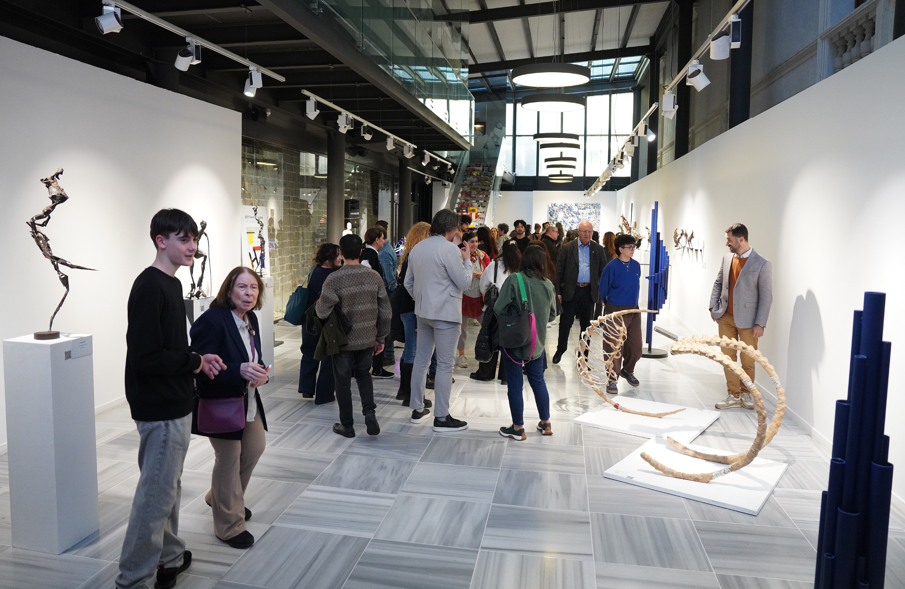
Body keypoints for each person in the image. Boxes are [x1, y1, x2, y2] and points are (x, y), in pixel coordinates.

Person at [117, 209, 223, 589]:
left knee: (168, 487)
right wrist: (193, 362)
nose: (192, 246)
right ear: (161, 241)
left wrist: (196, 359)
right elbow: (145, 356)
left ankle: (169, 556)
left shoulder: (172, 285)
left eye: (193, 238)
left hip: (175, 401)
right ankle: (133, 579)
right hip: (159, 406)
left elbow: (171, 347)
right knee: (155, 496)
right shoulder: (150, 286)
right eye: (184, 239)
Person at [190, 267, 269, 549]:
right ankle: (229, 525)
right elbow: (201, 367)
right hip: (221, 403)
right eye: (242, 287)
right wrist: (238, 370)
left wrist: (261, 373)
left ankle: (221, 498)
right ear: (229, 290)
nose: (249, 293)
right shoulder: (212, 320)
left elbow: (254, 358)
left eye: (254, 288)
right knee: (228, 459)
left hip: (247, 399)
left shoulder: (251, 319)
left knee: (255, 448)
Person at [316, 234, 391, 437]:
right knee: (364, 375)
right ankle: (369, 414)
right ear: (361, 252)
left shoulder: (334, 279)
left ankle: (347, 426)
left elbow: (321, 312)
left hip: (342, 341)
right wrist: (381, 337)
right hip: (367, 338)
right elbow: (386, 312)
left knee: (342, 382)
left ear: (340, 252)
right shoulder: (374, 277)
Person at [404, 209, 472, 432]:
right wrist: (467, 261)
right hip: (446, 313)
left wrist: (422, 299)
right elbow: (464, 283)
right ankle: (441, 417)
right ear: (451, 228)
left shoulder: (417, 248)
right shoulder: (449, 249)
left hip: (423, 312)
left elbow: (408, 283)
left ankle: (417, 409)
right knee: (444, 364)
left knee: (421, 360)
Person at [495, 245, 559, 440]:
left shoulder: (515, 279)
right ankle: (546, 423)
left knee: (515, 384)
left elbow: (498, 307)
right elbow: (552, 315)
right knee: (538, 381)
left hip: (514, 341)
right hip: (536, 343)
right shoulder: (548, 284)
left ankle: (518, 428)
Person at [709, 223, 773, 410]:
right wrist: (713, 307)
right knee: (727, 358)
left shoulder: (762, 263)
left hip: (749, 322)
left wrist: (760, 323)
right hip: (725, 318)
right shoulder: (727, 258)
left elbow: (766, 296)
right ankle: (733, 395)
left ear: (741, 239)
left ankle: (746, 393)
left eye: (729, 240)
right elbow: (718, 283)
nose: (727, 243)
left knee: (748, 360)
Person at [552, 221, 607, 364]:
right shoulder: (567, 248)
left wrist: (604, 292)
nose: (587, 234)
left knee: (586, 325)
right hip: (571, 290)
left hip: (588, 291)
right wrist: (558, 291)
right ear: (578, 232)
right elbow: (559, 271)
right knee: (565, 323)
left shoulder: (598, 249)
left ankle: (584, 354)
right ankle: (560, 349)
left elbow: (603, 272)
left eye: (590, 231)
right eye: (584, 231)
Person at [471, 240, 521, 383]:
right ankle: (506, 376)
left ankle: (486, 373)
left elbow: (483, 286)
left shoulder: (494, 265)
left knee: (489, 338)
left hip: (494, 308)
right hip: (512, 310)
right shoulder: (520, 267)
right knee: (508, 342)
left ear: (502, 250)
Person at [599, 234, 644, 394]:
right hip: (615, 309)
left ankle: (627, 370)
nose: (633, 250)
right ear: (620, 249)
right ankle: (612, 379)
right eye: (629, 247)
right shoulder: (611, 267)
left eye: (634, 247)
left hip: (633, 309)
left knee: (636, 346)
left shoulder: (636, 265)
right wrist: (609, 305)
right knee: (614, 346)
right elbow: (603, 288)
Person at [396, 222, 434, 408]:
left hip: (407, 307)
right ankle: (411, 395)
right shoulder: (415, 257)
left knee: (409, 350)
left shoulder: (410, 256)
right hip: (412, 309)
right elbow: (410, 284)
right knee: (413, 351)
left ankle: (404, 391)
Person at [298, 243, 341, 404]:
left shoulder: (313, 271)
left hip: (309, 318)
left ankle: (306, 388)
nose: (340, 258)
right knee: (329, 356)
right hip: (326, 320)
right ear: (329, 259)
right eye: (337, 255)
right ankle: (325, 393)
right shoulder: (333, 276)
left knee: (309, 352)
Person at [361, 227, 394, 379]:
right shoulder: (369, 254)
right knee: (378, 332)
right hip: (371, 302)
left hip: (371, 300)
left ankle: (376, 366)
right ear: (376, 240)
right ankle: (376, 367)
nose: (384, 241)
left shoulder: (371, 253)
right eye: (382, 238)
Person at [457, 230, 490, 369]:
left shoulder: (483, 256)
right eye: (472, 242)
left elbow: (490, 273)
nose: (475, 244)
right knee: (461, 329)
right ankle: (461, 355)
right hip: (463, 297)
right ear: (465, 243)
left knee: (488, 326)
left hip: (480, 297)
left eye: (476, 241)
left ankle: (490, 354)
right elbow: (455, 274)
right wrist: (468, 275)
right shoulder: (458, 255)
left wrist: (482, 274)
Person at [375, 220, 398, 368]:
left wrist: (392, 289)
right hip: (387, 291)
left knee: (385, 324)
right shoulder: (387, 249)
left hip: (386, 292)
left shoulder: (384, 252)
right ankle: (387, 354)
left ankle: (388, 354)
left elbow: (389, 277)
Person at [596, 231, 617, 319]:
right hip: (613, 279)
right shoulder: (616, 253)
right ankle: (607, 319)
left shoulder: (601, 251)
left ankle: (597, 319)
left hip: (602, 278)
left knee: (599, 301)